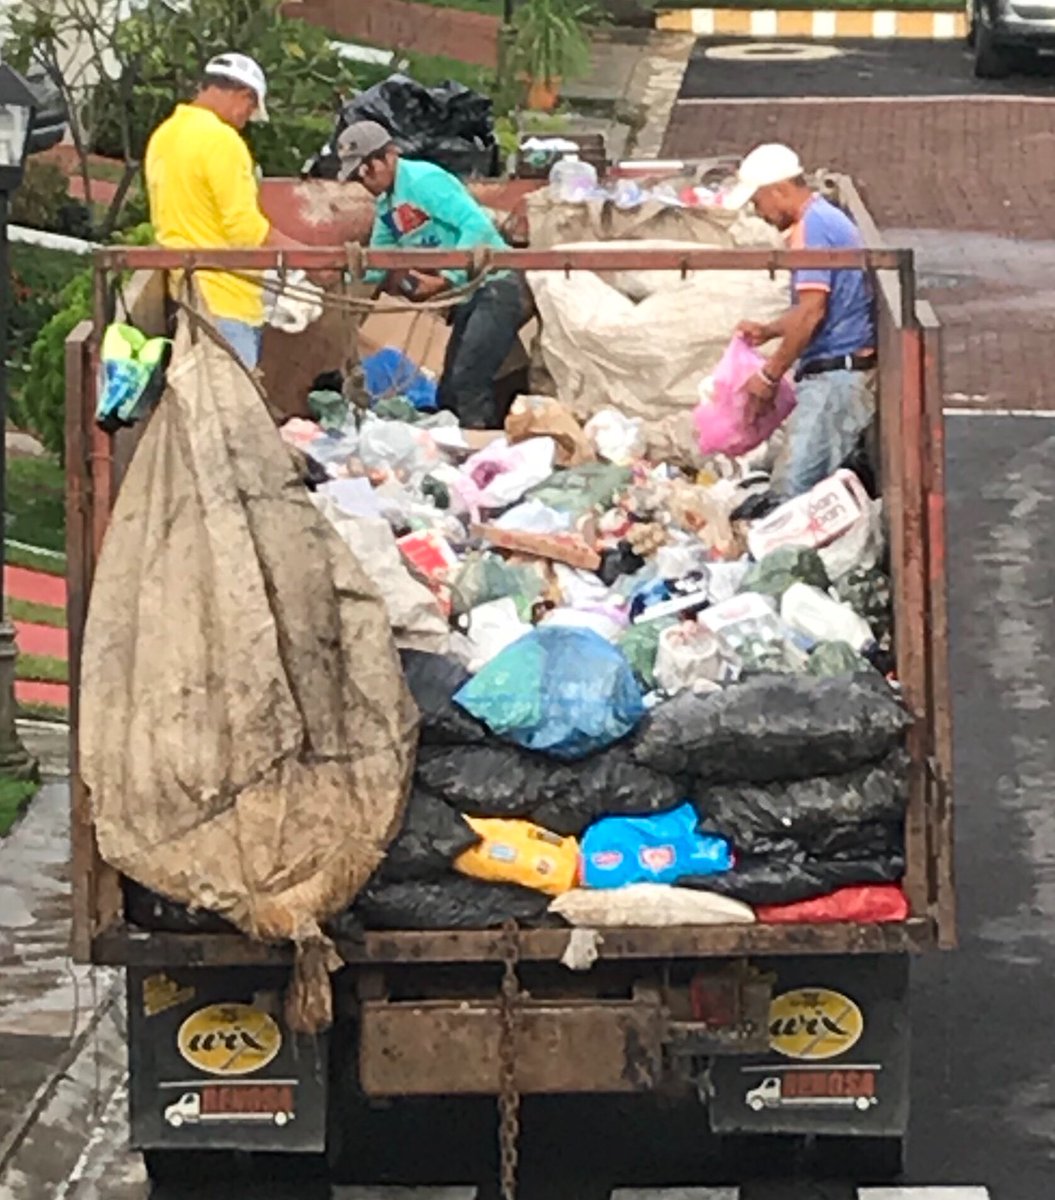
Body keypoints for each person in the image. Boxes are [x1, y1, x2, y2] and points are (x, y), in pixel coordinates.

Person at [336, 120, 529, 429]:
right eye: (357, 176)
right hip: (471, 294)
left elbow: (475, 225)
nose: (364, 180)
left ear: (389, 156)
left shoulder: (424, 181)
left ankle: (479, 451)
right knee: (450, 391)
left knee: (468, 379)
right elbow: (380, 259)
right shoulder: (388, 206)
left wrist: (446, 280)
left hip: (496, 284)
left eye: (366, 170)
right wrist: (340, 274)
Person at [727, 143, 876, 498]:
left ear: (779, 190)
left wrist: (769, 375)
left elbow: (812, 312)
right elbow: (816, 305)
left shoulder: (813, 228)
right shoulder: (821, 219)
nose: (758, 212)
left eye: (758, 200)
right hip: (834, 372)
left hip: (836, 376)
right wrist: (769, 330)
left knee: (792, 487)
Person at [144, 52, 302, 369]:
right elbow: (245, 229)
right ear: (244, 95)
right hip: (227, 303)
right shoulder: (222, 140)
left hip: (183, 295)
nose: (245, 120)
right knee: (231, 412)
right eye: (249, 110)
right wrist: (306, 257)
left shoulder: (164, 136)